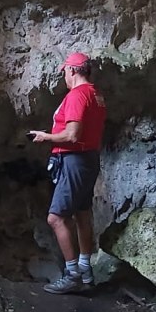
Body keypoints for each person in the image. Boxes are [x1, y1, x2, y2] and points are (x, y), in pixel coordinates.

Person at [29, 52, 107, 294]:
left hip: (74, 160)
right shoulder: (96, 95)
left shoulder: (77, 95)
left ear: (72, 71)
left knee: (56, 218)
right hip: (89, 159)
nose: (64, 75)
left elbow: (72, 134)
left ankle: (72, 274)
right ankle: (85, 270)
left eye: (64, 71)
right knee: (82, 213)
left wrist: (46, 137)